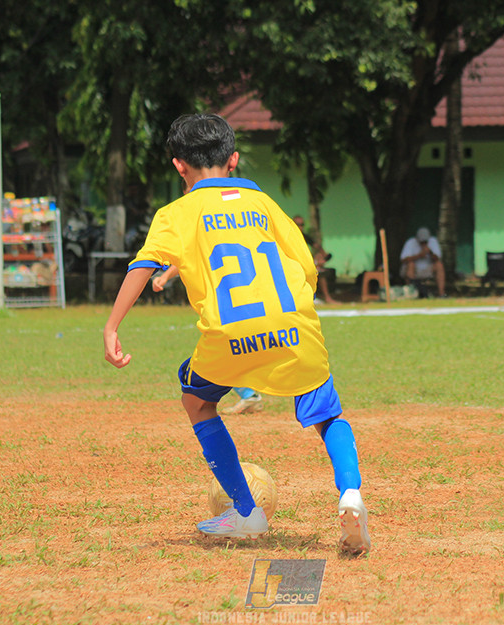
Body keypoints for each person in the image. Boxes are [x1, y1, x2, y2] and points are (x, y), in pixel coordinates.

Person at [103, 114, 370, 555]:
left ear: (179, 167)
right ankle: (351, 495)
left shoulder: (177, 212)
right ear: (234, 160)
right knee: (328, 415)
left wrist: (113, 326)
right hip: (292, 327)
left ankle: (246, 512)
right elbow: (305, 266)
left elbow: (142, 264)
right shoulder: (264, 203)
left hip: (229, 337)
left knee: (198, 400)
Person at [153, 264, 264, 415]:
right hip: (233, 300)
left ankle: (250, 395)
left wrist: (165, 276)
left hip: (227, 302)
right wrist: (165, 276)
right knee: (230, 349)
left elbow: (183, 258)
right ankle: (249, 394)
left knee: (225, 350)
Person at [294, 215, 338, 304]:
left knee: (319, 272)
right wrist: (317, 262)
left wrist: (322, 257)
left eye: (302, 225)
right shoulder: (290, 237)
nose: (300, 227)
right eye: (298, 224)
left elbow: (317, 246)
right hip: (293, 264)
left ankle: (323, 297)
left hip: (302, 263)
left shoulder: (304, 236)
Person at [399, 227, 446, 297]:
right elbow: (403, 260)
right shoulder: (411, 242)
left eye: (425, 242)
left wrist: (430, 252)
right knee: (410, 264)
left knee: (439, 265)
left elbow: (438, 258)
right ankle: (411, 292)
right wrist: (419, 256)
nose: (423, 243)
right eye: (422, 242)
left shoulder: (433, 241)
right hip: (414, 269)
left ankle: (441, 293)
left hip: (427, 269)